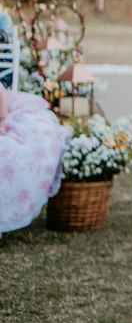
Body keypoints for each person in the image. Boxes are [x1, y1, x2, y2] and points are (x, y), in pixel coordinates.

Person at [0, 85, 72, 236]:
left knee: (18, 152)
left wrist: (2, 121)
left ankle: (10, 212)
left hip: (5, 115)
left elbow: (2, 115)